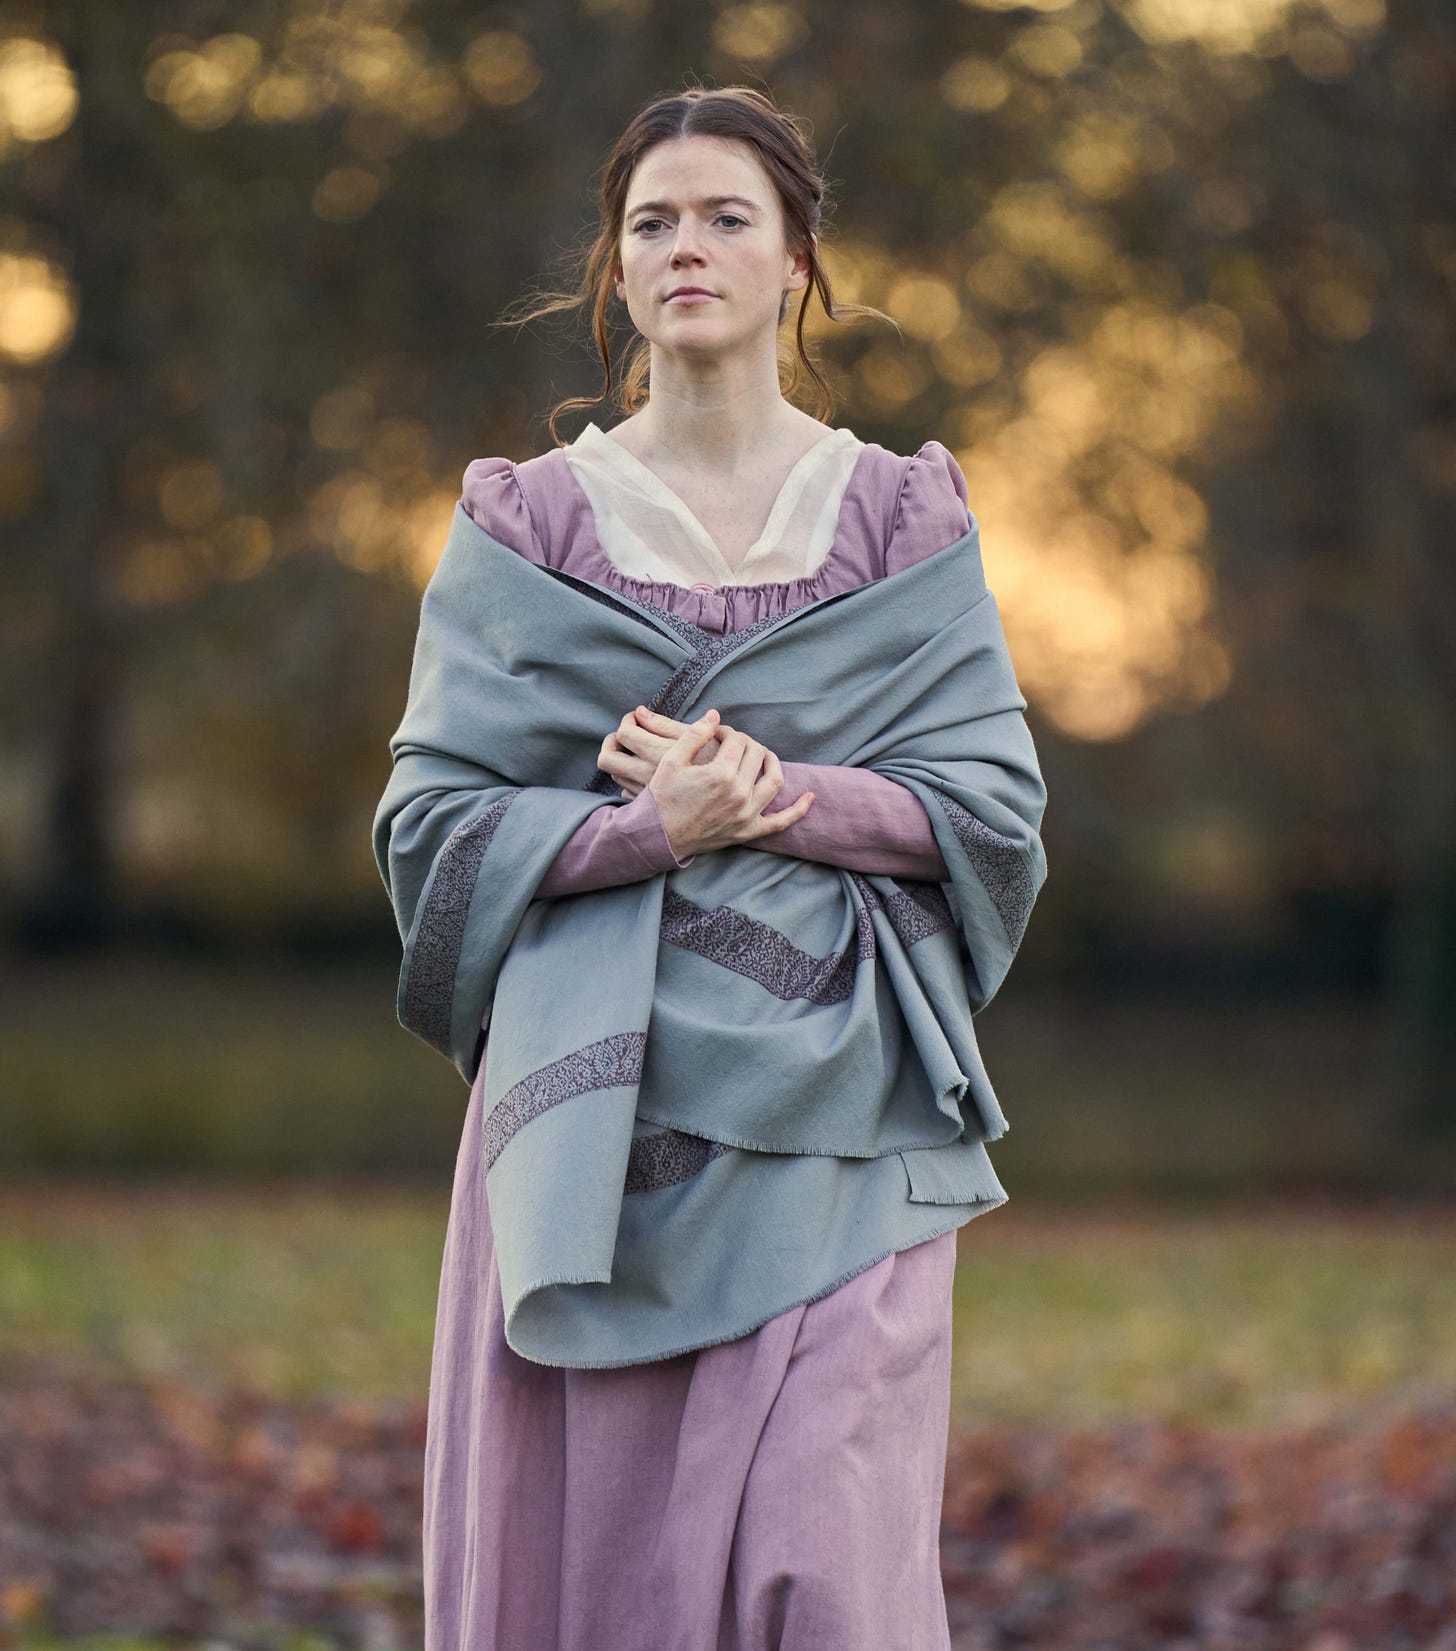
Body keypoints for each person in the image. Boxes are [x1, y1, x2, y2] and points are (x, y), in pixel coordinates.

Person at [375, 83, 1048, 1651]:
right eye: (653, 222)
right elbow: (430, 833)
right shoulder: (531, 526)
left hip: (845, 1111)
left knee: (831, 1577)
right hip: (595, 1125)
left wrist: (778, 797)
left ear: (798, 257)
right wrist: (643, 834)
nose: (688, 247)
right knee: (605, 1586)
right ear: (615, 269)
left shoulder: (898, 518)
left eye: (727, 216)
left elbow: (991, 813)